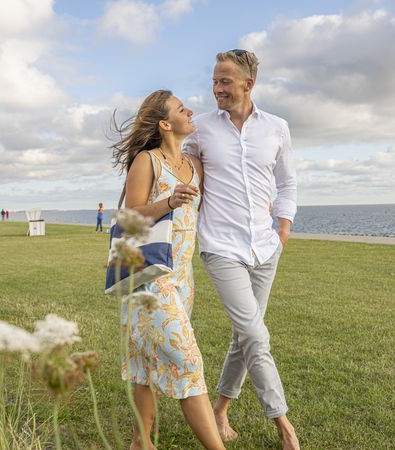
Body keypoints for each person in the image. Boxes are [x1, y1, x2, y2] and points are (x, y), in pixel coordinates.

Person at [183, 50, 300, 449]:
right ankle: (283, 424)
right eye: (214, 81)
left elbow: (287, 183)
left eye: (225, 82)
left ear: (249, 84)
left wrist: (282, 228)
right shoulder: (198, 128)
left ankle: (220, 410)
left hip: (266, 249)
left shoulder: (277, 128)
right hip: (220, 247)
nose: (216, 89)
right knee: (255, 333)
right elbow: (181, 170)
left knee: (243, 336)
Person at [111, 89, 225, 450]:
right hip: (149, 277)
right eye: (180, 109)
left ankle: (141, 443)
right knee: (188, 360)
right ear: (165, 123)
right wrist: (168, 202)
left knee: (145, 362)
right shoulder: (148, 161)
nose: (190, 111)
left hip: (182, 279)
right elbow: (130, 217)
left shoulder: (195, 165)